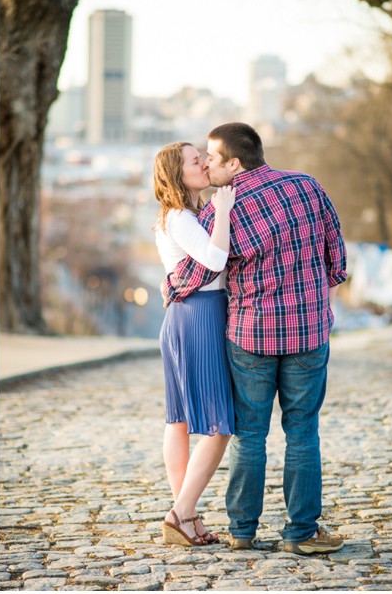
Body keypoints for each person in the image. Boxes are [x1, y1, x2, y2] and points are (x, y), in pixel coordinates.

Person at [163, 122, 348, 555]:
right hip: (308, 331)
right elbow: (336, 255)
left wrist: (170, 287)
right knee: (303, 431)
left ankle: (242, 531)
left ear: (234, 162)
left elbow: (199, 270)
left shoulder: (221, 208)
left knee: (250, 435)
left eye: (212, 157)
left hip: (250, 336)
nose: (207, 164)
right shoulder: (307, 187)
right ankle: (301, 533)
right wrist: (326, 304)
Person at [152, 141, 236, 546]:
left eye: (203, 156)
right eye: (194, 160)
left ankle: (186, 514)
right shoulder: (181, 217)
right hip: (198, 315)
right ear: (175, 173)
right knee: (219, 425)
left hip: (191, 314)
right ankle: (181, 512)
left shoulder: (185, 215)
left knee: (180, 421)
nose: (203, 162)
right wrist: (223, 211)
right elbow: (215, 260)